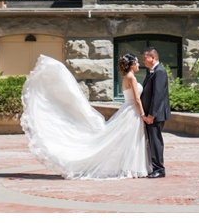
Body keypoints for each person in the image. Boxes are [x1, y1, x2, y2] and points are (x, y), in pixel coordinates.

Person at [20, 54, 151, 180]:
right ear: (132, 64)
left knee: (128, 140)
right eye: (137, 62)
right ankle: (133, 168)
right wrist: (143, 114)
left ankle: (131, 167)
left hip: (127, 110)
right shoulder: (132, 78)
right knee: (132, 140)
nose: (139, 64)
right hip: (132, 111)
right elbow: (137, 99)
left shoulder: (125, 78)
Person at [140, 47, 171, 178]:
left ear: (152, 58)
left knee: (156, 140)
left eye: (145, 57)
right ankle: (154, 167)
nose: (143, 61)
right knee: (152, 141)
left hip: (155, 115)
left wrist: (152, 114)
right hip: (151, 114)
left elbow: (158, 95)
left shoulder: (159, 72)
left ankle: (159, 169)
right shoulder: (152, 71)